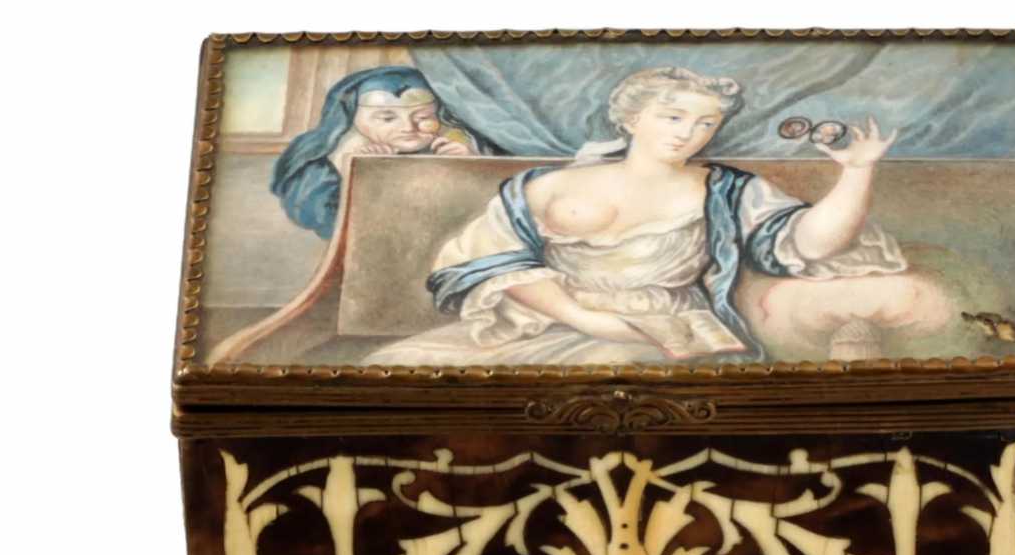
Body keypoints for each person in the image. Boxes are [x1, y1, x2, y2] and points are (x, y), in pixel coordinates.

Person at [363, 65, 952, 366]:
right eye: (674, 117)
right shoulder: (546, 184)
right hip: (546, 322)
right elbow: (491, 261)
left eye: (705, 123)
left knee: (612, 369)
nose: (689, 133)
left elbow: (811, 244)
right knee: (397, 364)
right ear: (631, 119)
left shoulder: (726, 189)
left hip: (665, 329)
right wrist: (585, 317)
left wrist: (857, 172)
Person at [270, 65, 496, 239]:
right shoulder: (320, 163)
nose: (408, 127)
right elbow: (315, 219)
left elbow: (489, 219)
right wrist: (352, 173)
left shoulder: (458, 144)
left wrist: (471, 167)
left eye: (423, 117)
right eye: (387, 118)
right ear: (353, 119)